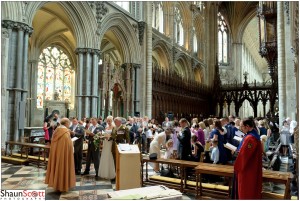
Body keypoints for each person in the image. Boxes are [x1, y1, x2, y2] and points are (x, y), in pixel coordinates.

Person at [233, 118, 262, 199]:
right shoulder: (253, 135)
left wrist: (237, 165)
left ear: (247, 126)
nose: (240, 128)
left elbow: (244, 156)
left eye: (242, 126)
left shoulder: (250, 138)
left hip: (247, 169)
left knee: (246, 191)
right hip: (252, 166)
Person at [45, 118, 76, 192]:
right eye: (69, 123)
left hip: (56, 153)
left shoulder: (56, 130)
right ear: (66, 123)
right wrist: (72, 144)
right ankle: (62, 185)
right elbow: (68, 143)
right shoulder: (65, 132)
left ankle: (56, 184)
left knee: (57, 166)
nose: (69, 125)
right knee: (63, 167)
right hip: (63, 154)